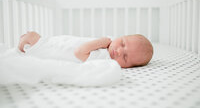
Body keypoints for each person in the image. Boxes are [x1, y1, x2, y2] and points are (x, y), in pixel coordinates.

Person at [18, 31, 153, 68]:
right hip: (59, 42)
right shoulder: (110, 45)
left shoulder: (105, 59)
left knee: (32, 40)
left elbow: (79, 52)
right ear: (122, 36)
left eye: (125, 57)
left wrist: (102, 41)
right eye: (122, 44)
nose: (118, 51)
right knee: (32, 39)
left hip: (51, 49)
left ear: (127, 67)